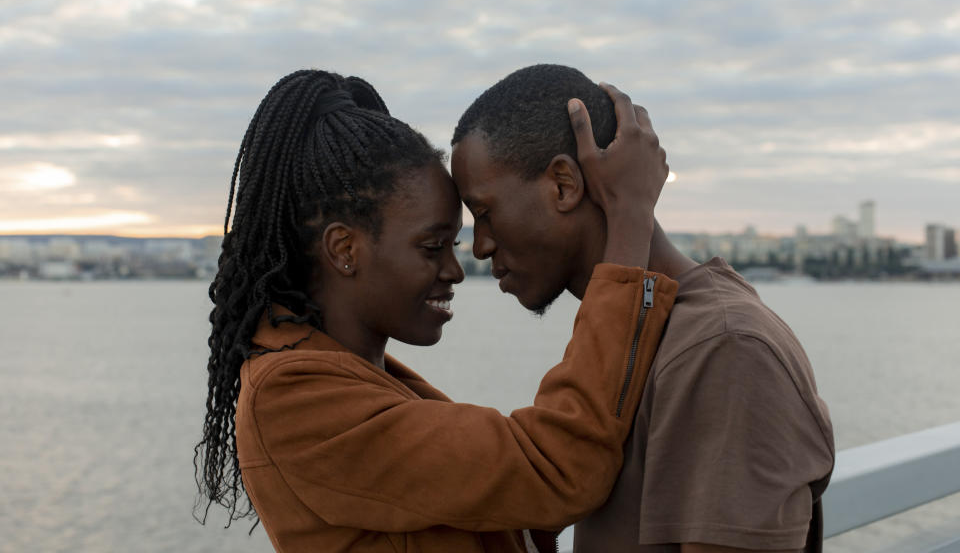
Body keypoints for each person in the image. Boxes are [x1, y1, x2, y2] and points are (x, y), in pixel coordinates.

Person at [193, 68, 680, 553]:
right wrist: (630, 214)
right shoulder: (293, 398)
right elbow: (556, 467)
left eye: (455, 242)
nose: (457, 269)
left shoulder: (355, 378)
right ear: (345, 248)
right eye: (432, 247)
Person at [451, 64, 835, 553]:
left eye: (484, 213)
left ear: (564, 186)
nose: (479, 246)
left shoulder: (723, 347)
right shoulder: (643, 334)